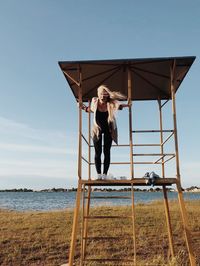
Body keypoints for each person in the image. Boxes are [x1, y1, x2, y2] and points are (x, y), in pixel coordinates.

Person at [79, 85, 130, 180]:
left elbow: (118, 106)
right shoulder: (95, 101)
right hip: (97, 129)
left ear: (107, 95)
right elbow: (90, 109)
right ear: (98, 94)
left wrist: (127, 105)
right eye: (101, 94)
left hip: (109, 130)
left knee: (107, 152)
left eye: (105, 94)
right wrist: (83, 107)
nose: (103, 96)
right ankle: (98, 174)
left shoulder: (110, 103)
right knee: (98, 152)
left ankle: (105, 174)